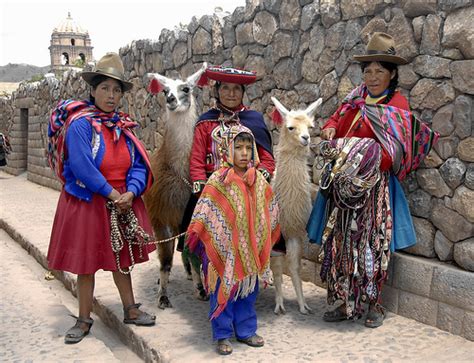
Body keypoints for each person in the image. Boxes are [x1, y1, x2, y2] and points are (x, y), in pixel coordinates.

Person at [306, 33, 438, 328]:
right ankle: (345, 300)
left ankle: (374, 303)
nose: (373, 76)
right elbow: (334, 120)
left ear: (392, 74)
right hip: (344, 187)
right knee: (342, 242)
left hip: (374, 187)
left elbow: (397, 148)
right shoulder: (354, 99)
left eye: (380, 70)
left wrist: (362, 156)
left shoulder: (397, 106)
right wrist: (330, 131)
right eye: (368, 70)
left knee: (372, 243)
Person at [47, 53, 157, 344]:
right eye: (105, 88)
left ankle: (130, 309)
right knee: (87, 261)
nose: (111, 95)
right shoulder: (81, 125)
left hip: (122, 199)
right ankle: (83, 319)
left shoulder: (123, 125)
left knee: (122, 258)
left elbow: (138, 163)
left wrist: (131, 191)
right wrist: (112, 193)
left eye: (116, 90)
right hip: (89, 201)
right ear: (93, 91)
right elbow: (82, 165)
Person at [178, 65, 282, 280]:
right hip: (213, 187)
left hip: (248, 186)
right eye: (225, 88)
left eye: (236, 89)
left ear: (243, 93)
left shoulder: (253, 120)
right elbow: (197, 158)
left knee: (267, 220)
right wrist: (199, 182)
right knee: (194, 221)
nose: (231, 94)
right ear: (217, 91)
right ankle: (208, 274)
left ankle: (254, 269)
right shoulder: (206, 122)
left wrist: (260, 176)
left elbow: (267, 158)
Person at [186, 125, 280, 355]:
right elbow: (205, 211)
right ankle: (222, 333)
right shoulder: (219, 180)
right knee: (224, 290)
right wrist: (200, 232)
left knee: (249, 291)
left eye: (249, 147)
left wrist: (263, 234)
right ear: (227, 150)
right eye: (238, 148)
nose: (245, 153)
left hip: (249, 250)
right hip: (225, 251)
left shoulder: (258, 179)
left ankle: (246, 330)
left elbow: (270, 208)